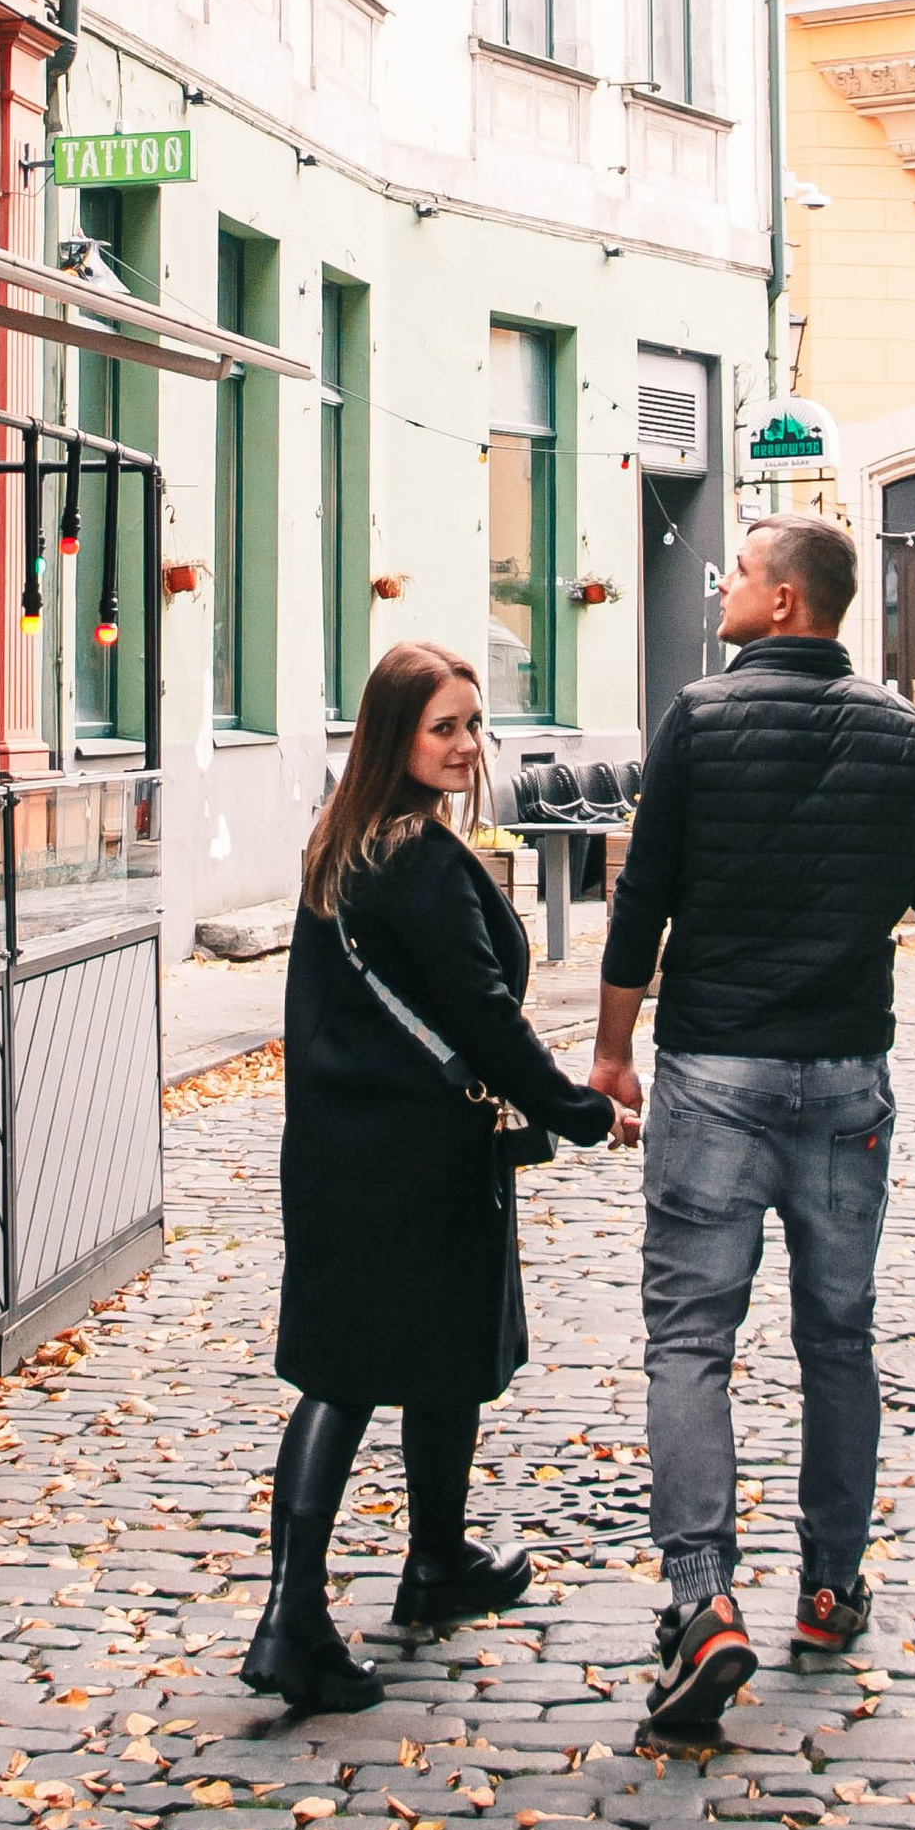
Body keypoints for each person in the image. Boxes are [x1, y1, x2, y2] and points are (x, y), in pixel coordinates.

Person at [590, 510, 915, 1740]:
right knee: (837, 1339)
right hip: (848, 1082)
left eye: (743, 570)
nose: (723, 582)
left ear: (783, 603)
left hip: (713, 1071)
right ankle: (827, 1586)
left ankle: (704, 1602)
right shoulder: (900, 737)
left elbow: (641, 901)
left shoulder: (701, 721)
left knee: (689, 1341)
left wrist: (610, 1050)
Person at [244, 640, 622, 1712]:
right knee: (357, 1373)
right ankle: (293, 1621)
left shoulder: (346, 841)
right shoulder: (412, 856)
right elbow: (480, 1015)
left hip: (341, 1143)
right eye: (441, 728)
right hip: (416, 1152)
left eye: (470, 726)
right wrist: (578, 1111)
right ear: (392, 738)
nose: (463, 746)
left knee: (413, 1357)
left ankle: (436, 1562)